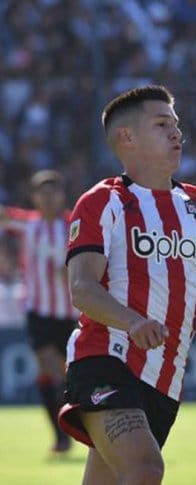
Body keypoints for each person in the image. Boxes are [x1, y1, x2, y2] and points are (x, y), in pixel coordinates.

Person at [57, 85, 196, 484]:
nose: (176, 133)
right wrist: (132, 322)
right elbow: (81, 287)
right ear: (127, 138)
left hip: (165, 379)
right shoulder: (104, 202)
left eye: (176, 124)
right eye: (162, 124)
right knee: (146, 470)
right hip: (105, 358)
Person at [0, 170, 76, 454]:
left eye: (53, 192)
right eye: (42, 192)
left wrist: (71, 269)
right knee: (49, 365)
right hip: (38, 311)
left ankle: (65, 429)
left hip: (70, 312)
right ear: (34, 197)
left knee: (60, 373)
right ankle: (60, 434)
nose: (47, 197)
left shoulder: (73, 225)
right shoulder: (27, 225)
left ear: (61, 196)